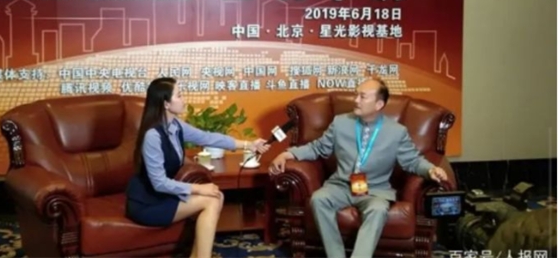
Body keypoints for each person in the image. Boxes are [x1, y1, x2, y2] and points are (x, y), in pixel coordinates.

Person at [269, 77, 448, 258]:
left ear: (378, 104)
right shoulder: (340, 122)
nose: (356, 100)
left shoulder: (396, 132)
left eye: (363, 97)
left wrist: (430, 170)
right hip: (340, 186)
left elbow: (413, 161)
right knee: (319, 199)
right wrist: (288, 154)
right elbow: (318, 148)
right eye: (356, 95)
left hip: (375, 190)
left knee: (378, 209)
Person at [126, 77, 270, 258]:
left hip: (163, 196)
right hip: (147, 203)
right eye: (179, 96)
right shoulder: (153, 136)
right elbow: (159, 183)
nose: (184, 100)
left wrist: (249, 144)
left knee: (216, 196)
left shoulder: (176, 125)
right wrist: (198, 188)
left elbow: (208, 138)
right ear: (166, 104)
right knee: (211, 199)